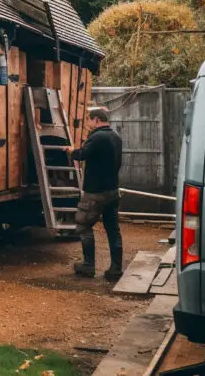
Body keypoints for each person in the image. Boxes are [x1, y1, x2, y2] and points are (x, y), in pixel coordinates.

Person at [65, 107, 123, 281]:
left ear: (96, 120)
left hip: (95, 192)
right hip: (113, 190)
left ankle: (88, 266)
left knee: (83, 226)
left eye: (89, 121)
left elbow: (82, 154)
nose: (88, 125)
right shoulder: (116, 137)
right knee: (113, 230)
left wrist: (70, 151)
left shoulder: (97, 137)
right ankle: (115, 269)